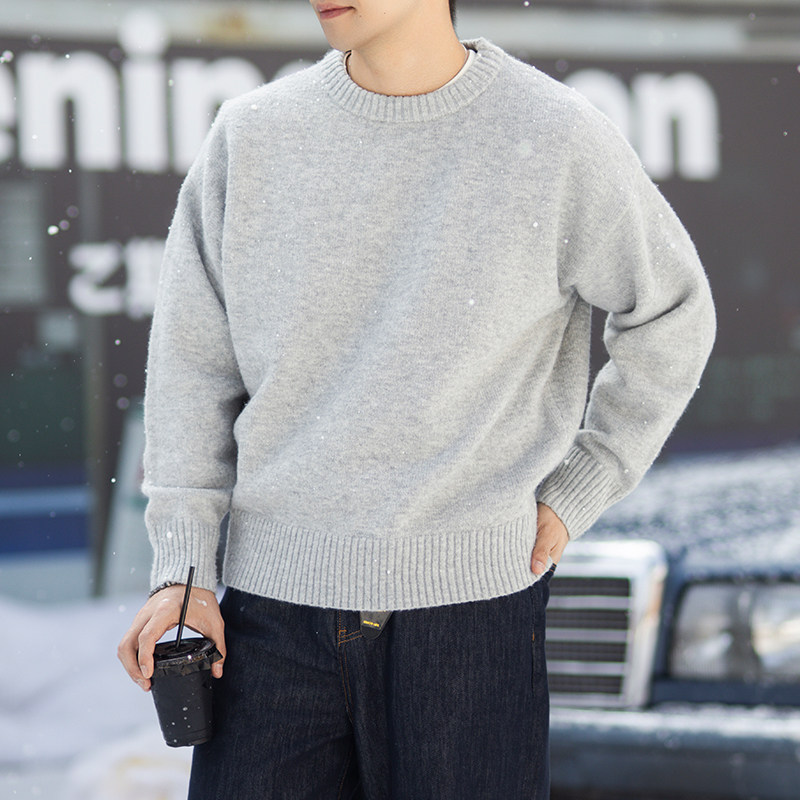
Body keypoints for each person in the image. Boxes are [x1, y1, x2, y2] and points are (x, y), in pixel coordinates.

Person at [118, 0, 716, 796]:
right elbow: (194, 366)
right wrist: (182, 571)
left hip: (472, 625)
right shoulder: (253, 136)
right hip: (271, 624)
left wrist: (588, 478)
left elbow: (673, 312)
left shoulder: (555, 135)